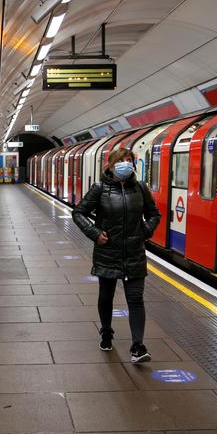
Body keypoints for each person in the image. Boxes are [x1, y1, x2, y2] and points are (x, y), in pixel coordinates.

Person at [72, 148, 161, 363]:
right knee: (106, 296)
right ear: (110, 165)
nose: (126, 164)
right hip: (108, 253)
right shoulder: (100, 188)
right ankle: (106, 332)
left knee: (136, 299)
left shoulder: (140, 188)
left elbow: (154, 214)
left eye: (129, 160)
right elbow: (79, 213)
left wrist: (145, 231)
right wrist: (94, 234)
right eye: (121, 161)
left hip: (134, 253)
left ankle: (138, 346)